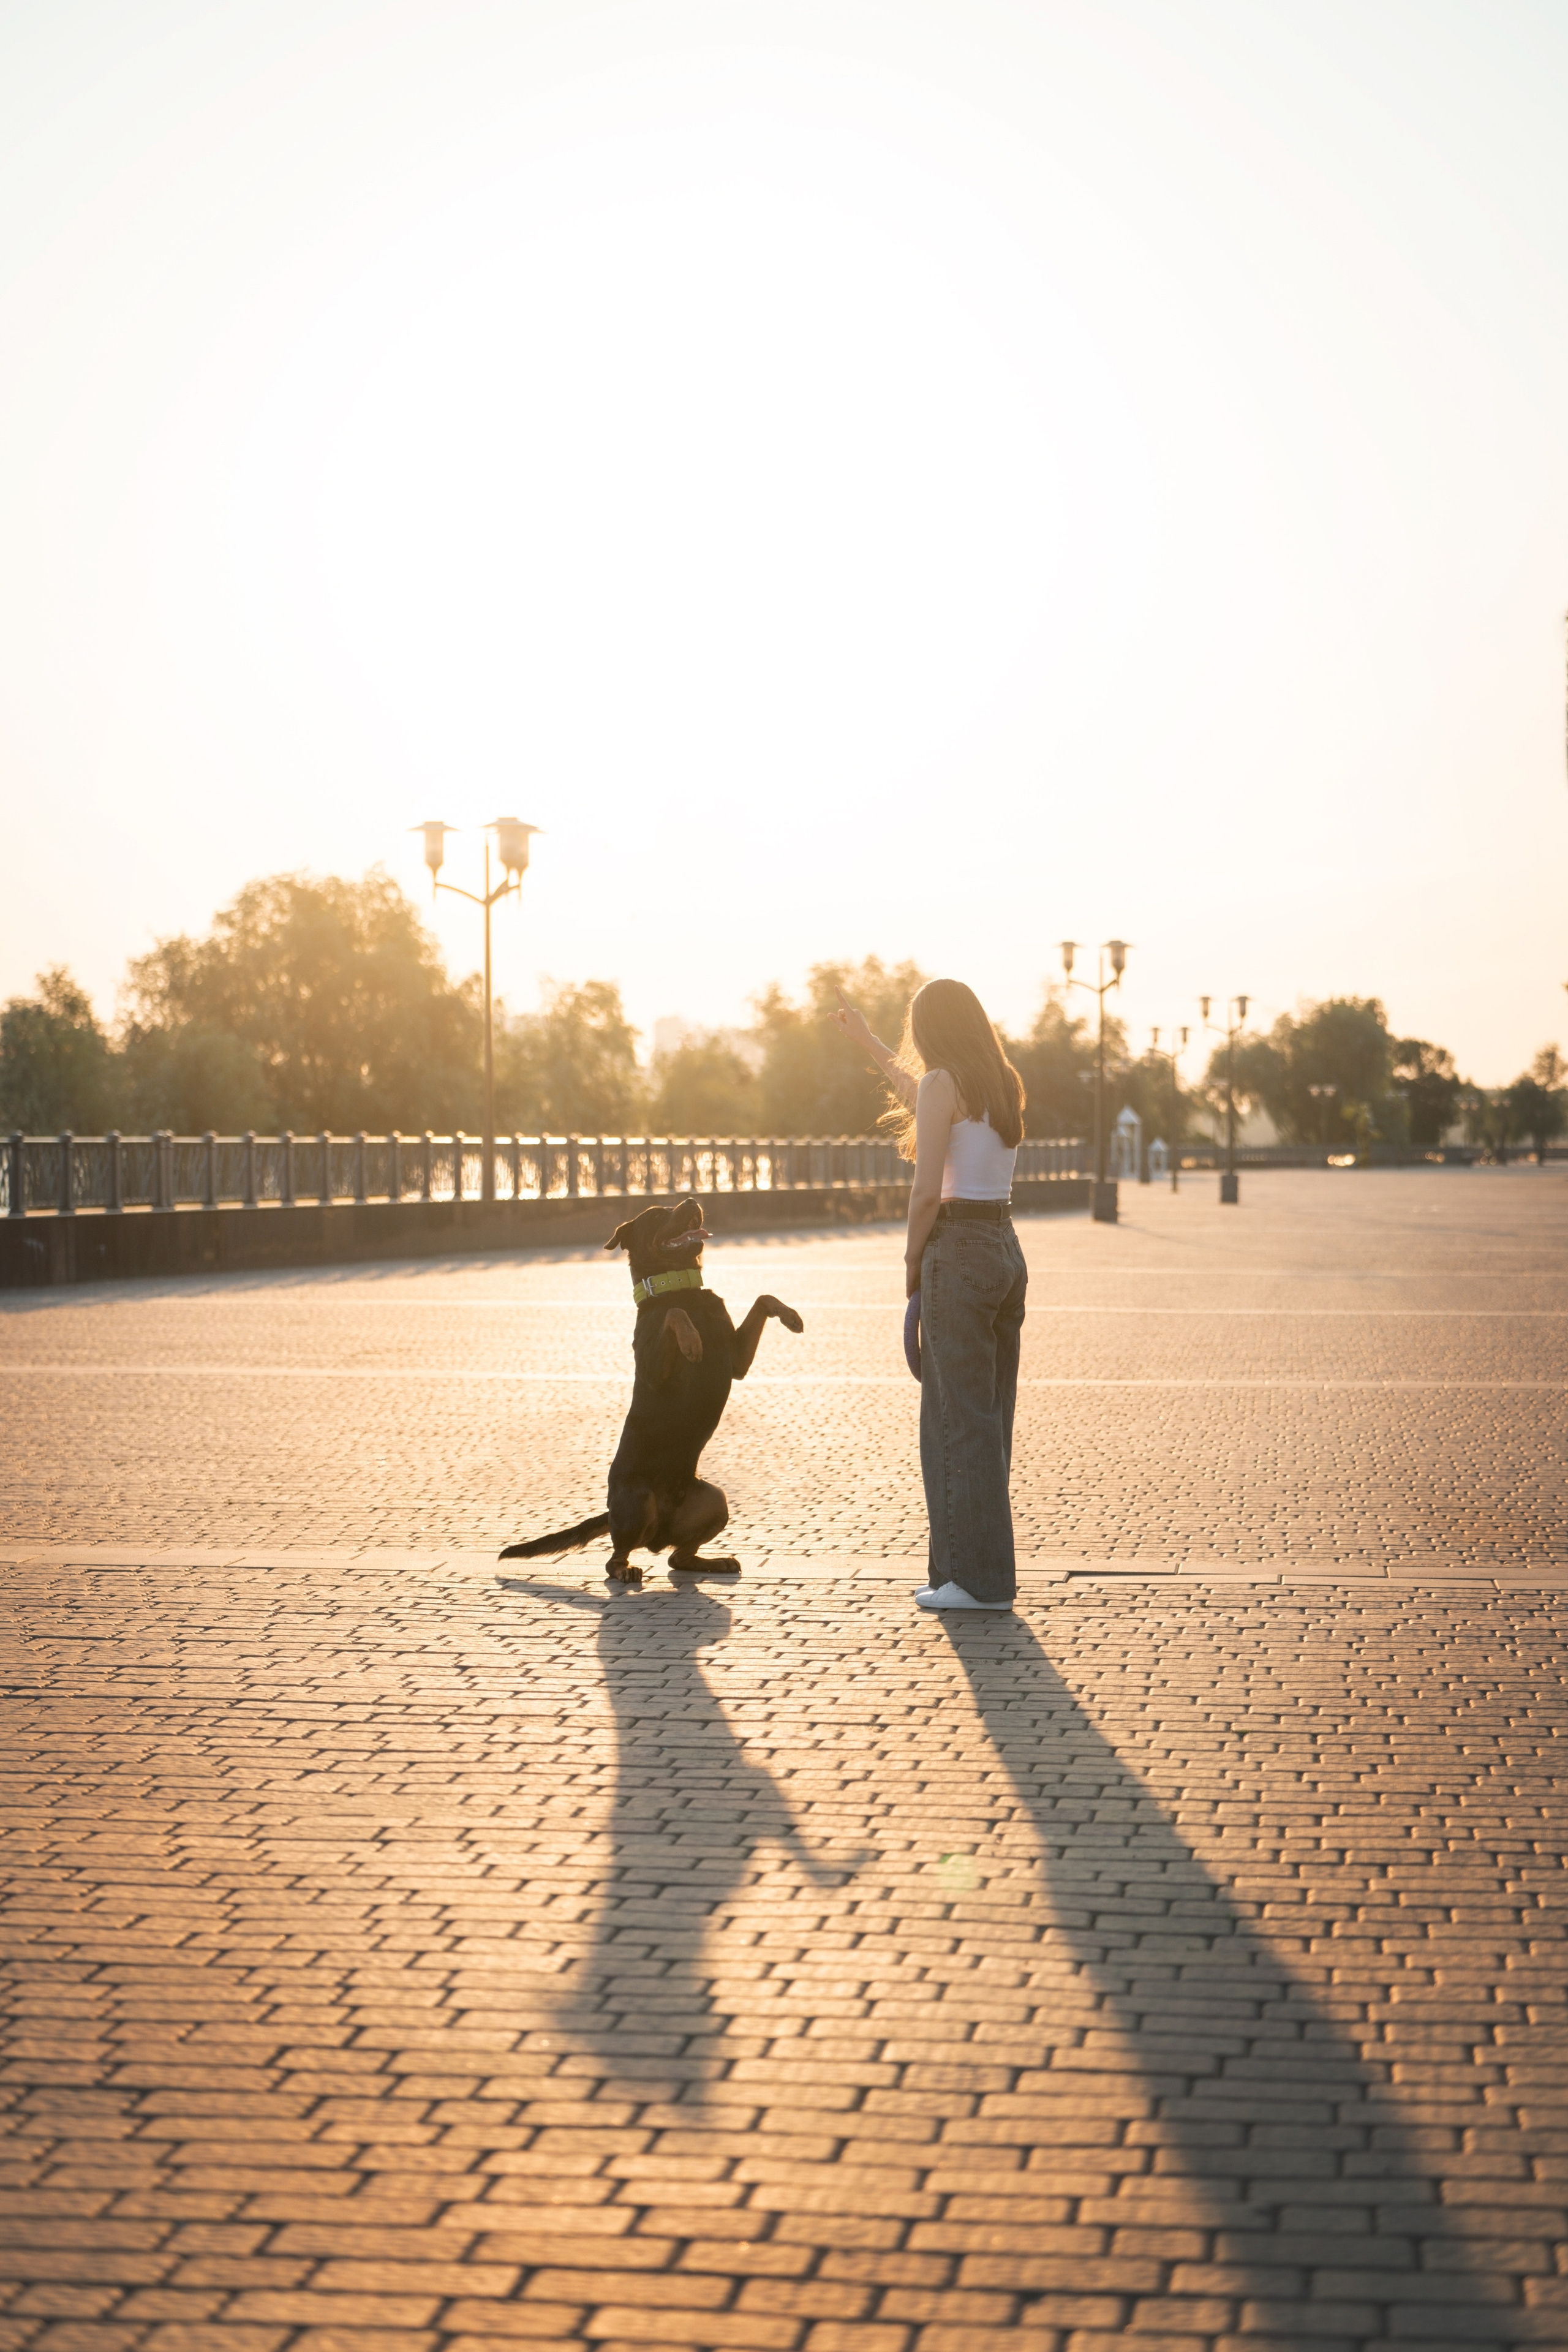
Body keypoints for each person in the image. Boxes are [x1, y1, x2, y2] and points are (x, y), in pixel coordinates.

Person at [831, 978, 1027, 1611]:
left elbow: (924, 1193)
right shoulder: (998, 1081)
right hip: (1003, 1248)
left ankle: (976, 1583)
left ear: (932, 1029)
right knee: (985, 1419)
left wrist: (912, 1261)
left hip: (958, 1248)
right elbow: (913, 1090)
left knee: (954, 1421)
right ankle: (964, 1575)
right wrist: (868, 1042)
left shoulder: (946, 1081)